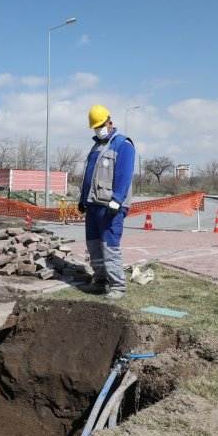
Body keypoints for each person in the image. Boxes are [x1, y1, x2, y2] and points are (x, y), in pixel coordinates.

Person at [78, 105, 135, 300]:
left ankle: (118, 286)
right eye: (95, 126)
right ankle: (100, 280)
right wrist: (82, 200)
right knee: (94, 245)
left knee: (109, 245)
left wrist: (117, 200)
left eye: (100, 125)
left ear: (109, 122)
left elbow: (124, 175)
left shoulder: (122, 144)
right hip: (93, 205)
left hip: (110, 206)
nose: (98, 129)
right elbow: (89, 176)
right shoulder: (96, 147)